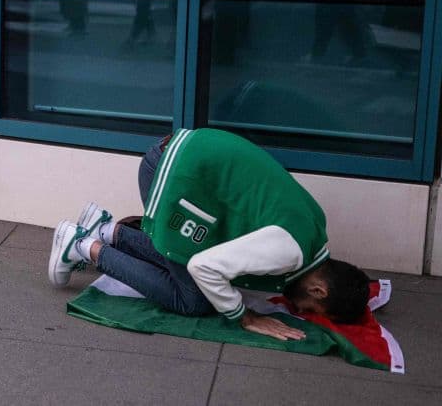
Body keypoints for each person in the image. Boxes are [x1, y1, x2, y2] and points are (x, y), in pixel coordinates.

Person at [48, 128, 371, 340]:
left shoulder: (315, 229)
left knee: (191, 268)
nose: (300, 312)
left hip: (184, 159)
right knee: (193, 300)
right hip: (169, 168)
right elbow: (204, 266)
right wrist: (245, 317)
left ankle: (105, 229)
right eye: (311, 309)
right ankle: (81, 245)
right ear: (318, 290)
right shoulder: (289, 251)